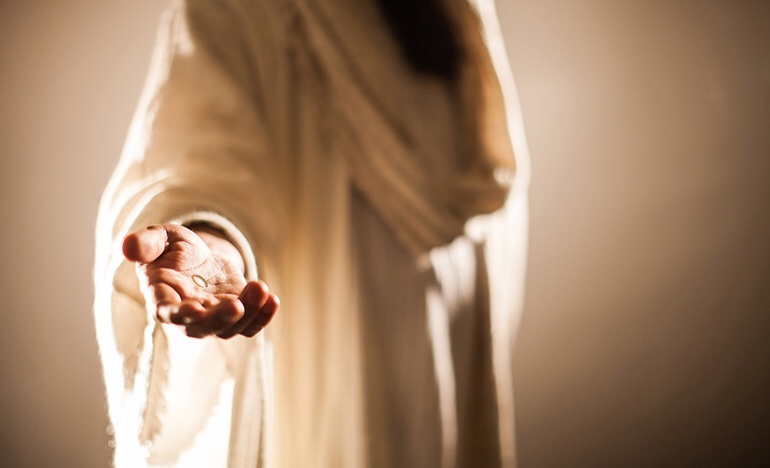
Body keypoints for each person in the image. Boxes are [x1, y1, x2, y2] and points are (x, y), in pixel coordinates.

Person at [93, 0, 530, 466]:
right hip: (338, 376)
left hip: (451, 355)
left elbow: (484, 174)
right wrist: (211, 237)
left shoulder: (460, 13)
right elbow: (199, 162)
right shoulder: (243, 12)